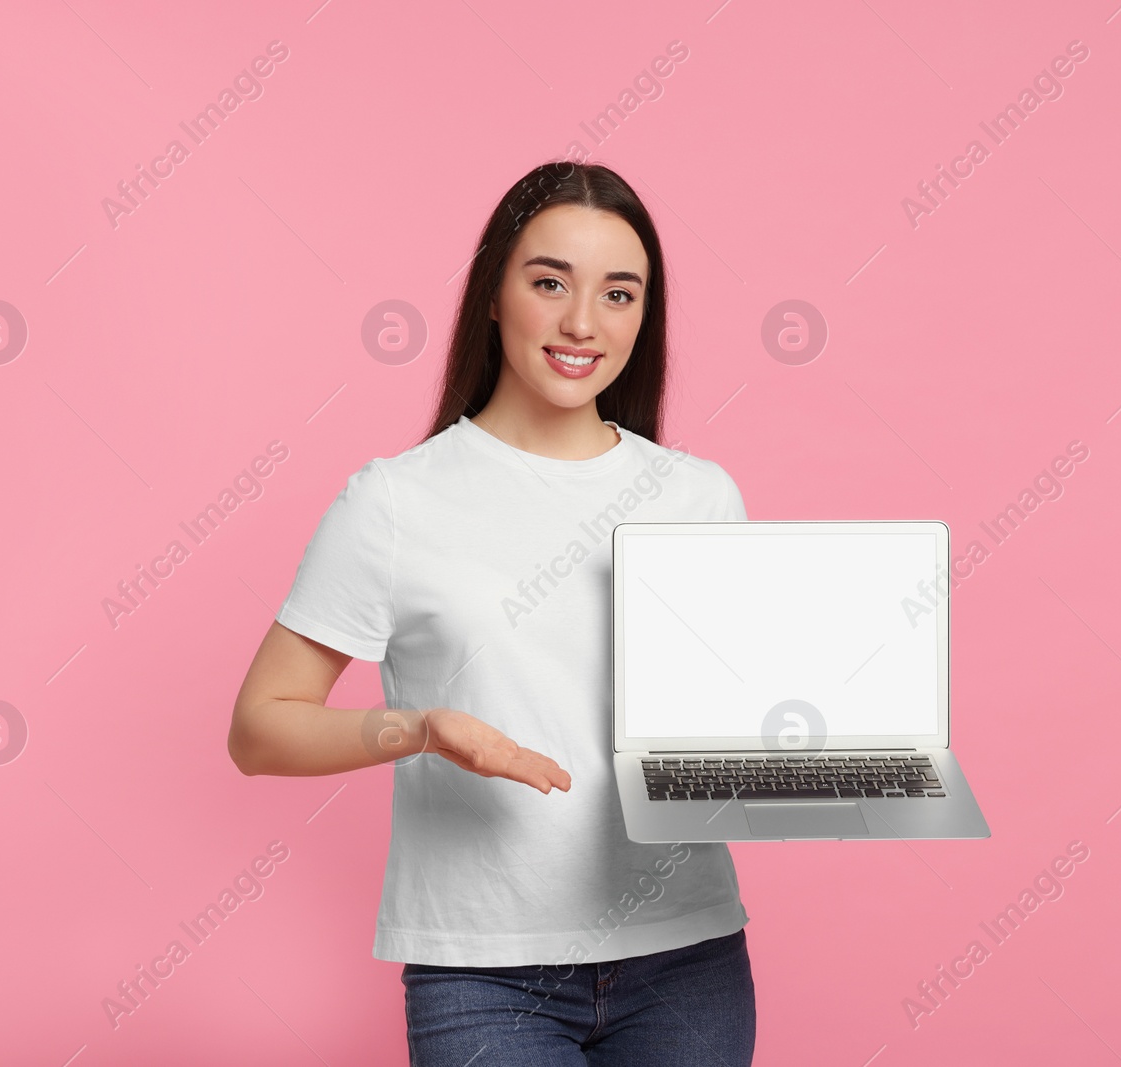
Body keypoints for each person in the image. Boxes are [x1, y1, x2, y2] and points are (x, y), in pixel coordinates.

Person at [227, 161, 756, 1066]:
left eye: (619, 294)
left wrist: (820, 752)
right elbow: (258, 731)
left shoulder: (697, 496)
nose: (582, 322)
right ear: (493, 296)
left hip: (687, 957)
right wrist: (423, 728)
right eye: (549, 282)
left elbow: (734, 713)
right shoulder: (395, 501)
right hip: (485, 974)